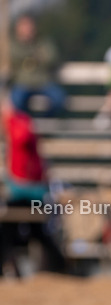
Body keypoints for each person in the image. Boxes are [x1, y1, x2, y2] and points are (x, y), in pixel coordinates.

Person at [1, 89, 66, 276]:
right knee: (21, 230)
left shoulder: (21, 123)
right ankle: (56, 265)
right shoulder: (19, 122)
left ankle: (56, 265)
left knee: (22, 229)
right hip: (24, 186)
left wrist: (8, 117)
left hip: (27, 187)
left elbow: (22, 138)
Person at [9, 14, 65, 116]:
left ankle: (45, 123)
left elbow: (51, 58)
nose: (28, 30)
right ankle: (27, 125)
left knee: (59, 99)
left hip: (43, 81)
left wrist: (34, 51)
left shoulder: (43, 42)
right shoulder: (12, 44)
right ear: (18, 29)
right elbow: (12, 58)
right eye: (24, 26)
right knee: (16, 101)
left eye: (30, 26)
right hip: (23, 83)